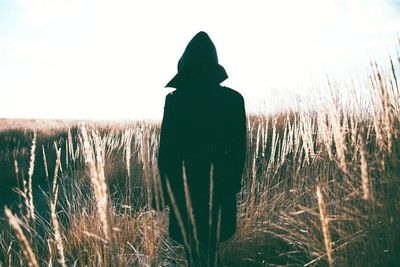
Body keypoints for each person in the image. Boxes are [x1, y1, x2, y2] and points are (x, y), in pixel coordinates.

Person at [158, 31, 246, 267]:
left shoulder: (176, 101)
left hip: (185, 195)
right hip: (220, 193)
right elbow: (239, 152)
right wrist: (232, 187)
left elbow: (166, 154)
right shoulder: (234, 100)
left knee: (196, 254)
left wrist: (170, 197)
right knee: (208, 253)